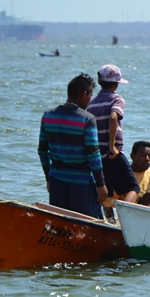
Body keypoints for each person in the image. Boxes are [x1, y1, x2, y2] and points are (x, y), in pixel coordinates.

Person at [37, 73, 107, 219]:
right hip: (81, 183)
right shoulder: (87, 119)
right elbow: (93, 153)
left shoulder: (48, 115)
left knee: (59, 225)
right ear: (83, 95)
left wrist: (48, 178)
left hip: (57, 180)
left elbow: (42, 151)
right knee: (90, 224)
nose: (90, 100)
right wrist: (101, 184)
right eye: (90, 96)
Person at [86, 64, 140, 217]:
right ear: (116, 84)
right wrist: (112, 146)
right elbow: (113, 117)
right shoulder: (117, 99)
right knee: (133, 188)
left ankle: (108, 221)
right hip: (112, 153)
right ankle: (126, 218)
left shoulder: (92, 103)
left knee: (106, 193)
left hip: (98, 155)